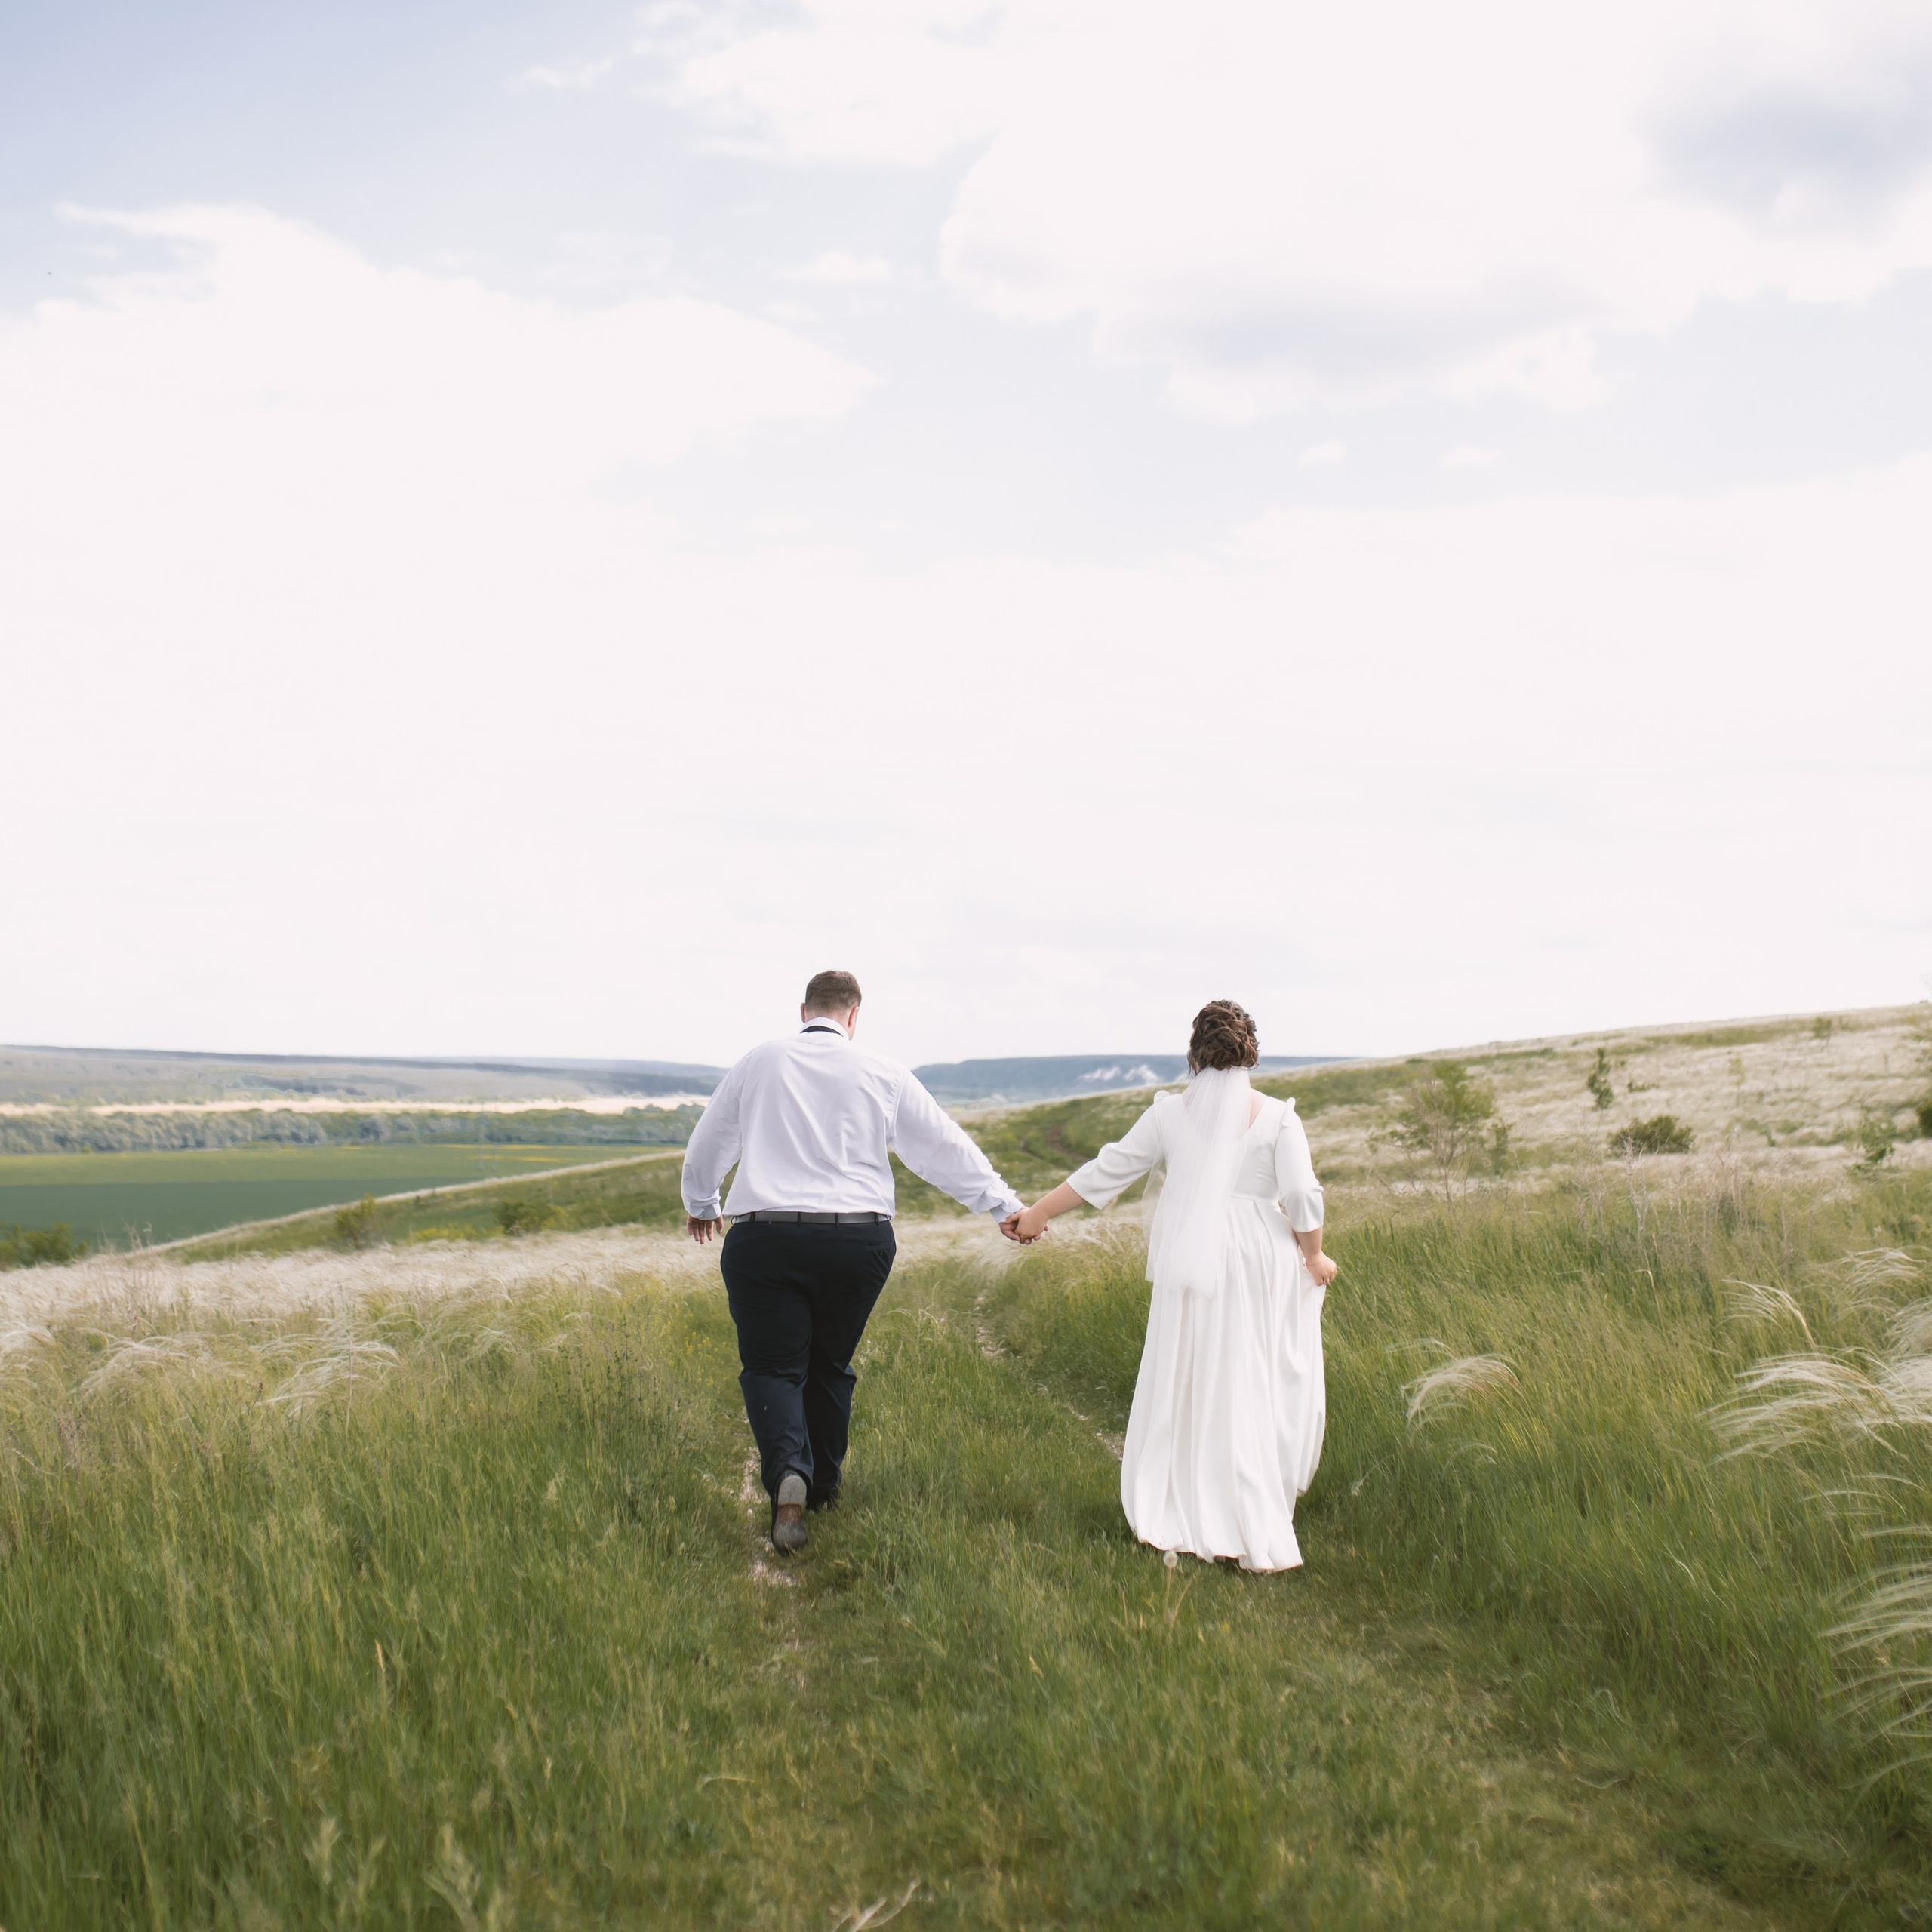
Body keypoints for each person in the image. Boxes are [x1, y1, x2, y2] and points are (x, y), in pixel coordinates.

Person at [682, 970, 1026, 1554]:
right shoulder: (884, 1071)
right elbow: (940, 1146)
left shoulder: (759, 1061)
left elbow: (710, 1140)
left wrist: (702, 1203)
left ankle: (789, 1474)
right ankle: (824, 1492)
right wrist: (1003, 1204)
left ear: (803, 1010)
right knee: (830, 1365)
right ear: (854, 1014)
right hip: (859, 1241)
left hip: (766, 1239)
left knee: (773, 1367)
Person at [1013, 1000, 1337, 1572]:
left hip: (1192, 1255)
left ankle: (1185, 1497)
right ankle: (1248, 1504)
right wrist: (1314, 1255)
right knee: (1251, 1374)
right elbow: (1304, 1197)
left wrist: (1040, 1211)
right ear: (1250, 1052)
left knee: (1190, 1373)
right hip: (1259, 1255)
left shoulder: (1168, 1114)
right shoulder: (1280, 1118)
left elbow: (1108, 1169)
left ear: (1194, 1055)